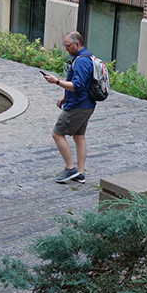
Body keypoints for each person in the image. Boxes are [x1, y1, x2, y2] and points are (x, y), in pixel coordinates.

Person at [42, 31, 95, 183]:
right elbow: (83, 83)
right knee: (79, 136)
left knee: (57, 134)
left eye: (68, 46)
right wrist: (65, 96)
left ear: (77, 44)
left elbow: (77, 86)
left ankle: (70, 168)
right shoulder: (86, 57)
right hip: (85, 104)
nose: (66, 49)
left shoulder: (81, 61)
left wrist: (56, 81)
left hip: (78, 106)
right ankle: (80, 172)